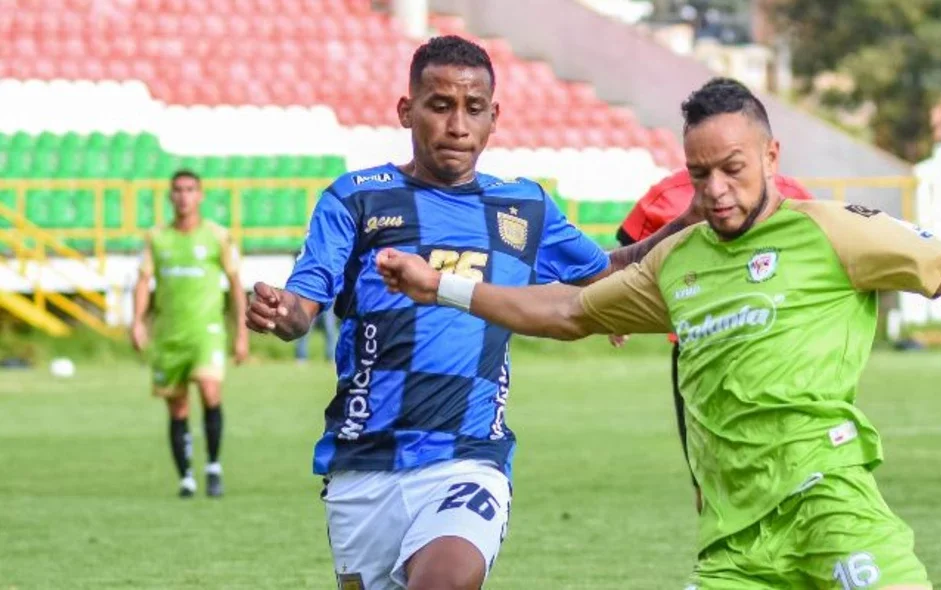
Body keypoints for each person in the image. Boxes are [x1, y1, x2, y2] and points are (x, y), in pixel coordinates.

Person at [375, 78, 941, 589]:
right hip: (732, 539)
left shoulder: (835, 232)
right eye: (699, 174)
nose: (716, 190)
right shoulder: (679, 261)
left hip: (829, 500)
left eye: (732, 167)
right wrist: (442, 286)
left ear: (770, 153)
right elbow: (565, 312)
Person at [244, 36, 695, 590]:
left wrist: (688, 222)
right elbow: (301, 308)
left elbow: (605, 269)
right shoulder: (358, 199)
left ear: (494, 116)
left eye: (473, 109)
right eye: (440, 106)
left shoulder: (522, 206)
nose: (458, 125)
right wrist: (278, 310)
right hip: (365, 465)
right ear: (407, 111)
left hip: (469, 458)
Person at [615, 168, 813, 512]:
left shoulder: (791, 194)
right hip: (698, 355)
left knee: (791, 473)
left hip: (776, 353)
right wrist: (619, 312)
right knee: (709, 485)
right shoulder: (667, 194)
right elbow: (630, 251)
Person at [130, 169, 249, 499]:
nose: (183, 196)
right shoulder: (156, 238)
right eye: (178, 190)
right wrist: (137, 322)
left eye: (190, 190)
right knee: (177, 406)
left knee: (211, 392)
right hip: (169, 334)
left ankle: (212, 466)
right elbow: (143, 282)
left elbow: (237, 285)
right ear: (170, 195)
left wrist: (240, 332)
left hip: (206, 332)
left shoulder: (217, 236)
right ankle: (185, 476)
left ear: (200, 195)